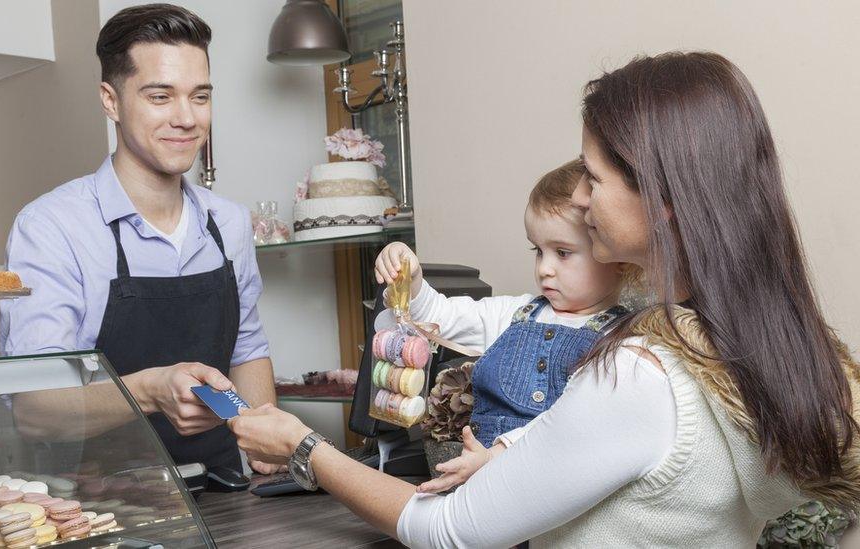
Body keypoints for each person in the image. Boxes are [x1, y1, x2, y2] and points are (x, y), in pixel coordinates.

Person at [228, 51, 860, 547]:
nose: (581, 199)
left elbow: (446, 529)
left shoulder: (638, 376)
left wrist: (304, 448)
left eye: (593, 175)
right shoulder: (750, 348)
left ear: (662, 201)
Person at [0, 4, 279, 474]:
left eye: (200, 96)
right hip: (100, 510)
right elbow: (36, 408)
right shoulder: (52, 227)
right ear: (110, 100)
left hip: (224, 488)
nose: (187, 118)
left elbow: (247, 351)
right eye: (160, 96)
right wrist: (149, 390)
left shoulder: (228, 223)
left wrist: (267, 446)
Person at [374, 160, 632, 492]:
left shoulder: (619, 341)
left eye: (563, 253)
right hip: (480, 487)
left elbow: (570, 425)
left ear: (615, 257)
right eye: (538, 251)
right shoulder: (516, 314)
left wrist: (496, 455)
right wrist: (411, 277)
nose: (545, 269)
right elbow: (441, 319)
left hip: (543, 491)